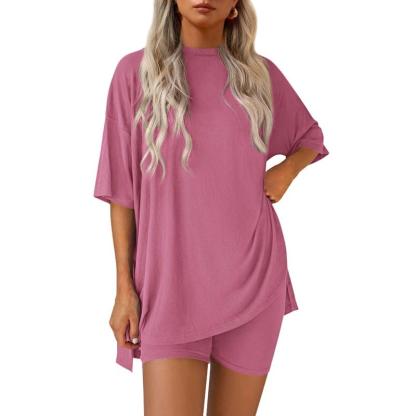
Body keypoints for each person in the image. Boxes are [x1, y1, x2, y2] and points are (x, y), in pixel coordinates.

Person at [93, 0, 329, 414]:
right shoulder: (135, 73)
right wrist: (124, 290)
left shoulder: (259, 77)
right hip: (169, 290)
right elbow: (121, 194)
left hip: (254, 282)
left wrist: (285, 171)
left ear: (235, 7)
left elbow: (310, 136)